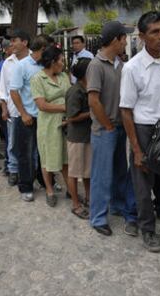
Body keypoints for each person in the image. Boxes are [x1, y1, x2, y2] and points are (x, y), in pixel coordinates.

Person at [120, 11, 160, 252]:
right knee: (143, 183)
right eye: (155, 31)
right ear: (142, 36)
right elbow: (126, 110)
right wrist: (136, 149)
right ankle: (148, 229)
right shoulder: (132, 68)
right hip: (144, 130)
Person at [86, 21, 137, 236]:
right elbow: (93, 100)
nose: (126, 41)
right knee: (102, 175)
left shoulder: (121, 65)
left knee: (119, 171)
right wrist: (107, 125)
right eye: (124, 38)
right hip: (105, 130)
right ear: (115, 39)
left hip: (119, 128)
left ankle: (117, 206)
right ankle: (97, 217)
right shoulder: (96, 65)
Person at [31, 46, 71, 207]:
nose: (63, 63)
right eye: (61, 60)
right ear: (53, 62)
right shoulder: (37, 79)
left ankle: (71, 189)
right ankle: (49, 190)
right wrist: (65, 108)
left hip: (66, 123)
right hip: (48, 125)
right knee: (47, 159)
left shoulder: (64, 77)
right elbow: (42, 105)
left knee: (66, 159)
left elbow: (70, 96)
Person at [10, 35, 48, 202]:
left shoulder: (46, 65)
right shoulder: (22, 66)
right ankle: (26, 186)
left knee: (43, 152)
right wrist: (23, 114)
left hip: (44, 117)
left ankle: (44, 180)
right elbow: (14, 91)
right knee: (25, 153)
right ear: (42, 49)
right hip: (27, 118)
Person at [0, 31, 29, 187]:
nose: (11, 44)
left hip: (31, 111)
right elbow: (3, 89)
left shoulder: (34, 61)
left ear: (24, 42)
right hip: (13, 110)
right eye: (10, 41)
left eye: (14, 40)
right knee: (12, 143)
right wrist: (4, 108)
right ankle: (13, 170)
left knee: (32, 144)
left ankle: (32, 172)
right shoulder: (7, 63)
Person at [63, 57, 92, 219]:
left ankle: (89, 198)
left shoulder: (89, 88)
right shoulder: (75, 91)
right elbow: (71, 117)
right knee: (74, 172)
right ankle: (75, 204)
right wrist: (92, 112)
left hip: (88, 135)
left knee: (87, 171)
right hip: (77, 137)